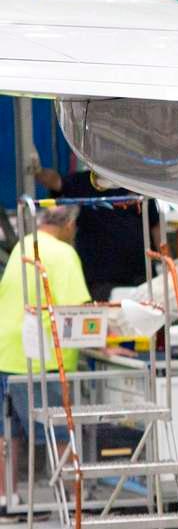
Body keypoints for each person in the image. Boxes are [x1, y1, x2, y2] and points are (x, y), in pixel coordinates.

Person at [0, 204, 88, 485]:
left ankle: (5, 497)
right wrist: (105, 343)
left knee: (7, 430)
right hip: (43, 354)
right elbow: (78, 311)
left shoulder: (23, 245)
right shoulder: (64, 253)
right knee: (58, 430)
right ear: (69, 225)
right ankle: (70, 497)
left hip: (6, 351)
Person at [35, 167, 155, 302]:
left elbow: (155, 225)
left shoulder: (136, 183)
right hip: (100, 280)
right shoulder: (81, 182)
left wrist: (164, 258)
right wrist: (36, 170)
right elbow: (54, 181)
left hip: (140, 276)